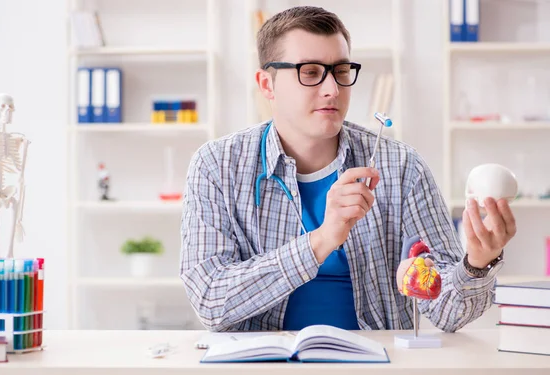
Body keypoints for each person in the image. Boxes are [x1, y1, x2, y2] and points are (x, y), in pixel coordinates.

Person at [179, 6, 516, 333]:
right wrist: (322, 240)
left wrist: (477, 263)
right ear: (267, 85)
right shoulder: (216, 166)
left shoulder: (400, 167)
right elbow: (210, 300)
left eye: (340, 71)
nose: (332, 90)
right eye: (309, 72)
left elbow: (448, 314)